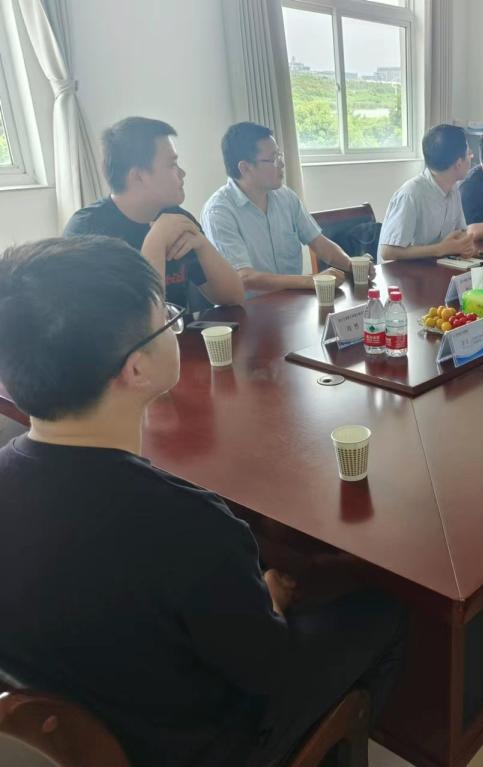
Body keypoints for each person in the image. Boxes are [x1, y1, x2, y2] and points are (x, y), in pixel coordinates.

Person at [0, 236, 405, 767]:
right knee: (381, 611)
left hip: (85, 718)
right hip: (200, 743)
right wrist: (269, 603)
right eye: (169, 320)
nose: (176, 327)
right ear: (136, 369)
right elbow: (270, 669)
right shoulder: (191, 525)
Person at [64, 117, 244, 311]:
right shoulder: (87, 232)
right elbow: (138, 321)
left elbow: (233, 297)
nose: (182, 173)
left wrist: (201, 243)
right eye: (172, 165)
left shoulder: (176, 218)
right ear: (138, 176)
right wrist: (156, 241)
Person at [202, 122, 368, 294]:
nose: (281, 164)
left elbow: (320, 243)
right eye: (273, 159)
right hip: (250, 307)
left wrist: (353, 265)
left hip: (294, 301)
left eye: (279, 155)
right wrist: (311, 280)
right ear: (245, 168)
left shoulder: (286, 197)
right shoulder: (219, 212)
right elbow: (244, 278)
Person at [377, 124, 480, 263]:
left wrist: (465, 245)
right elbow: (387, 251)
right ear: (458, 163)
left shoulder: (453, 188)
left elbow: (460, 232)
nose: (472, 157)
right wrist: (439, 249)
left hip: (435, 267)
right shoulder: (411, 195)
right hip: (402, 273)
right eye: (468, 153)